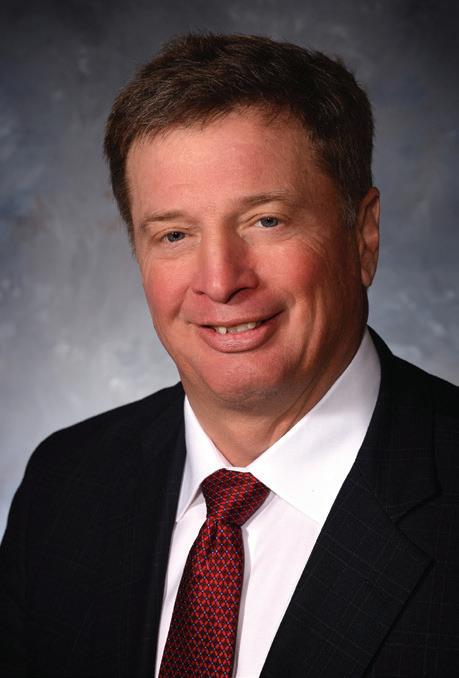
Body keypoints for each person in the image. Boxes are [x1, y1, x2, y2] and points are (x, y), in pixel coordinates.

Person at [1, 32, 458, 678]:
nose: (219, 281)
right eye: (174, 234)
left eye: (265, 220)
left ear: (362, 235)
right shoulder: (64, 485)